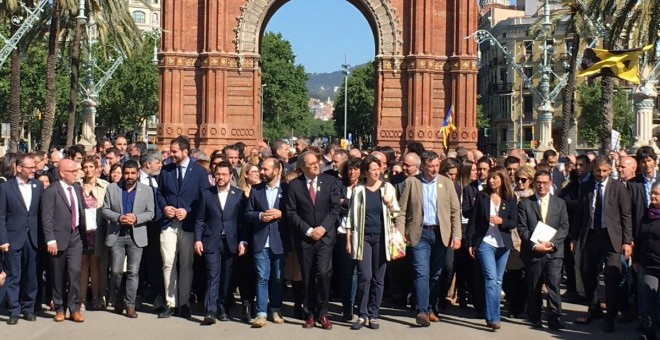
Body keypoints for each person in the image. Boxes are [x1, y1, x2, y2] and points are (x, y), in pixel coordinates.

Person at [394, 150, 462, 326]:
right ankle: (422, 310)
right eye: (431, 166)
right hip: (420, 233)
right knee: (421, 272)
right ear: (423, 166)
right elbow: (401, 211)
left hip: (440, 233)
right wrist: (400, 233)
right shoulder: (411, 183)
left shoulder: (446, 183)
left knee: (437, 273)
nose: (434, 169)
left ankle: (431, 306)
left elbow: (455, 211)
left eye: (437, 166)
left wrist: (456, 235)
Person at [572, 155, 632, 333]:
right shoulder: (586, 187)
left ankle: (610, 317)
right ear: (593, 169)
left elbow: (626, 215)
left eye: (605, 171)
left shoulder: (618, 188)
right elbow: (579, 214)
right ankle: (595, 307)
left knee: (611, 277)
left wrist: (627, 241)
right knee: (587, 273)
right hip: (591, 236)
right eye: (598, 170)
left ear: (610, 170)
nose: (601, 174)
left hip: (612, 237)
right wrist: (574, 238)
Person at [156, 136, 210, 319]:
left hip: (188, 224)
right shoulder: (166, 170)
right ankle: (170, 303)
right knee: (168, 262)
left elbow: (204, 198)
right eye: (171, 151)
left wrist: (187, 211)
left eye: (174, 151)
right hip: (168, 223)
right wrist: (165, 207)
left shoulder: (200, 172)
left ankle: (184, 302)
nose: (171, 154)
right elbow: (160, 193)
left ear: (185, 152)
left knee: (186, 264)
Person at [286, 151, 340, 330]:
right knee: (307, 276)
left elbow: (335, 209)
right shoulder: (295, 185)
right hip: (305, 238)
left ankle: (323, 312)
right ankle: (309, 313)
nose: (317, 165)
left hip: (324, 237)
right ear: (302, 167)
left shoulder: (329, 182)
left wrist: (322, 228)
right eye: (312, 164)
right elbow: (291, 212)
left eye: (317, 162)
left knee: (323, 273)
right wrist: (309, 231)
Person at [345, 156, 400, 330]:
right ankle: (362, 314)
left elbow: (396, 213)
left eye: (379, 168)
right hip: (363, 237)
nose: (377, 172)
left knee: (378, 278)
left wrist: (389, 204)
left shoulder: (387, 188)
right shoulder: (359, 190)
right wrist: (348, 238)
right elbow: (351, 217)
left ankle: (373, 314)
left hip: (382, 238)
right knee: (364, 276)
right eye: (373, 169)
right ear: (366, 172)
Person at [517, 170, 570, 331]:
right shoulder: (525, 203)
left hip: (554, 252)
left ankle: (554, 318)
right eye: (538, 182)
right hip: (533, 252)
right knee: (534, 286)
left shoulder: (559, 203)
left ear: (550, 183)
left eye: (545, 183)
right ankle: (535, 318)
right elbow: (522, 228)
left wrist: (552, 243)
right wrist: (535, 245)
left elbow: (564, 227)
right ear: (534, 183)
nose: (541, 186)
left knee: (553, 286)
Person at [467, 165, 518, 331]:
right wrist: (470, 243)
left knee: (497, 280)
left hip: (503, 244)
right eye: (490, 178)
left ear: (502, 179)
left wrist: (501, 221)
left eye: (494, 178)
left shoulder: (510, 198)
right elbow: (473, 221)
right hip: (485, 242)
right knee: (490, 278)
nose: (491, 180)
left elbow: (513, 221)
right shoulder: (482, 196)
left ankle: (493, 313)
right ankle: (493, 317)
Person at [194, 161, 245, 325]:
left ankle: (223, 308)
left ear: (231, 176)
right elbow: (200, 219)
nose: (220, 177)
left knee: (227, 277)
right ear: (213, 175)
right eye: (218, 174)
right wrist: (197, 239)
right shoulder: (206, 193)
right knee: (212, 275)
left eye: (224, 174)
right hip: (211, 240)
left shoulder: (238, 194)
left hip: (231, 241)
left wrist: (243, 241)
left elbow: (241, 221)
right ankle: (210, 311)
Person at [102, 160, 155, 318]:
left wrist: (136, 218)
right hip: (117, 234)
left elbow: (151, 213)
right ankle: (118, 299)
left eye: (133, 173)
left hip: (136, 235)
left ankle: (130, 305)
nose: (129, 176)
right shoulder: (112, 188)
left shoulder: (146, 190)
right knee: (116, 271)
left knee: (133, 271)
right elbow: (105, 210)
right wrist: (119, 217)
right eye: (127, 173)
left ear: (138, 173)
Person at [245, 158, 290, 327]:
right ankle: (261, 313)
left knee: (277, 278)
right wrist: (260, 216)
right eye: (261, 169)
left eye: (265, 169)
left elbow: (294, 212)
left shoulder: (287, 190)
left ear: (277, 171)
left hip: (279, 240)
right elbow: (248, 213)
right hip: (261, 240)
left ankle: (276, 309)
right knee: (261, 277)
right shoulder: (256, 190)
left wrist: (281, 214)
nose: (262, 172)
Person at [41, 159, 88, 323]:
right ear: (62, 173)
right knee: (58, 274)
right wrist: (50, 240)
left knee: (74, 273)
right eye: (73, 171)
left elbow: (81, 211)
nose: (76, 174)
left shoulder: (77, 188)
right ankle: (60, 308)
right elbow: (46, 218)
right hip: (58, 238)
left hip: (76, 237)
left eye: (77, 170)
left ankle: (74, 308)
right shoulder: (51, 191)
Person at [0, 154, 43, 324]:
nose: (34, 170)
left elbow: (40, 213)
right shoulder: (6, 188)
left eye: (34, 167)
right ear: (19, 168)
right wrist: (3, 239)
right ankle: (13, 310)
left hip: (32, 238)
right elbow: (1, 216)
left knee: (31, 275)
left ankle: (28, 308)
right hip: (13, 237)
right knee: (13, 275)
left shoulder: (37, 186)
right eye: (30, 167)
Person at [79, 156, 109, 311]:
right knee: (83, 263)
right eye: (85, 167)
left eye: (91, 166)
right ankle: (82, 298)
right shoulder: (78, 186)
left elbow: (107, 206)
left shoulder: (104, 185)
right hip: (82, 230)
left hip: (98, 229)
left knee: (96, 264)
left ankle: (97, 296)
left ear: (97, 168)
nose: (88, 170)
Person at [633, 181, 660, 340]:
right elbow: (639, 238)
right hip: (648, 264)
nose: (653, 197)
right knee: (648, 299)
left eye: (657, 194)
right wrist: (636, 260)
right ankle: (649, 333)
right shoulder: (647, 214)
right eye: (652, 194)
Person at [336, 157, 361, 321]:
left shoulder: (364, 187)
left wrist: (346, 202)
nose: (352, 172)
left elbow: (363, 205)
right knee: (347, 272)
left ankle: (359, 304)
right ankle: (347, 306)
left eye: (356, 168)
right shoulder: (339, 185)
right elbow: (334, 204)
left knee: (360, 271)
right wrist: (349, 203)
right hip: (341, 232)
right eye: (350, 169)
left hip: (360, 232)